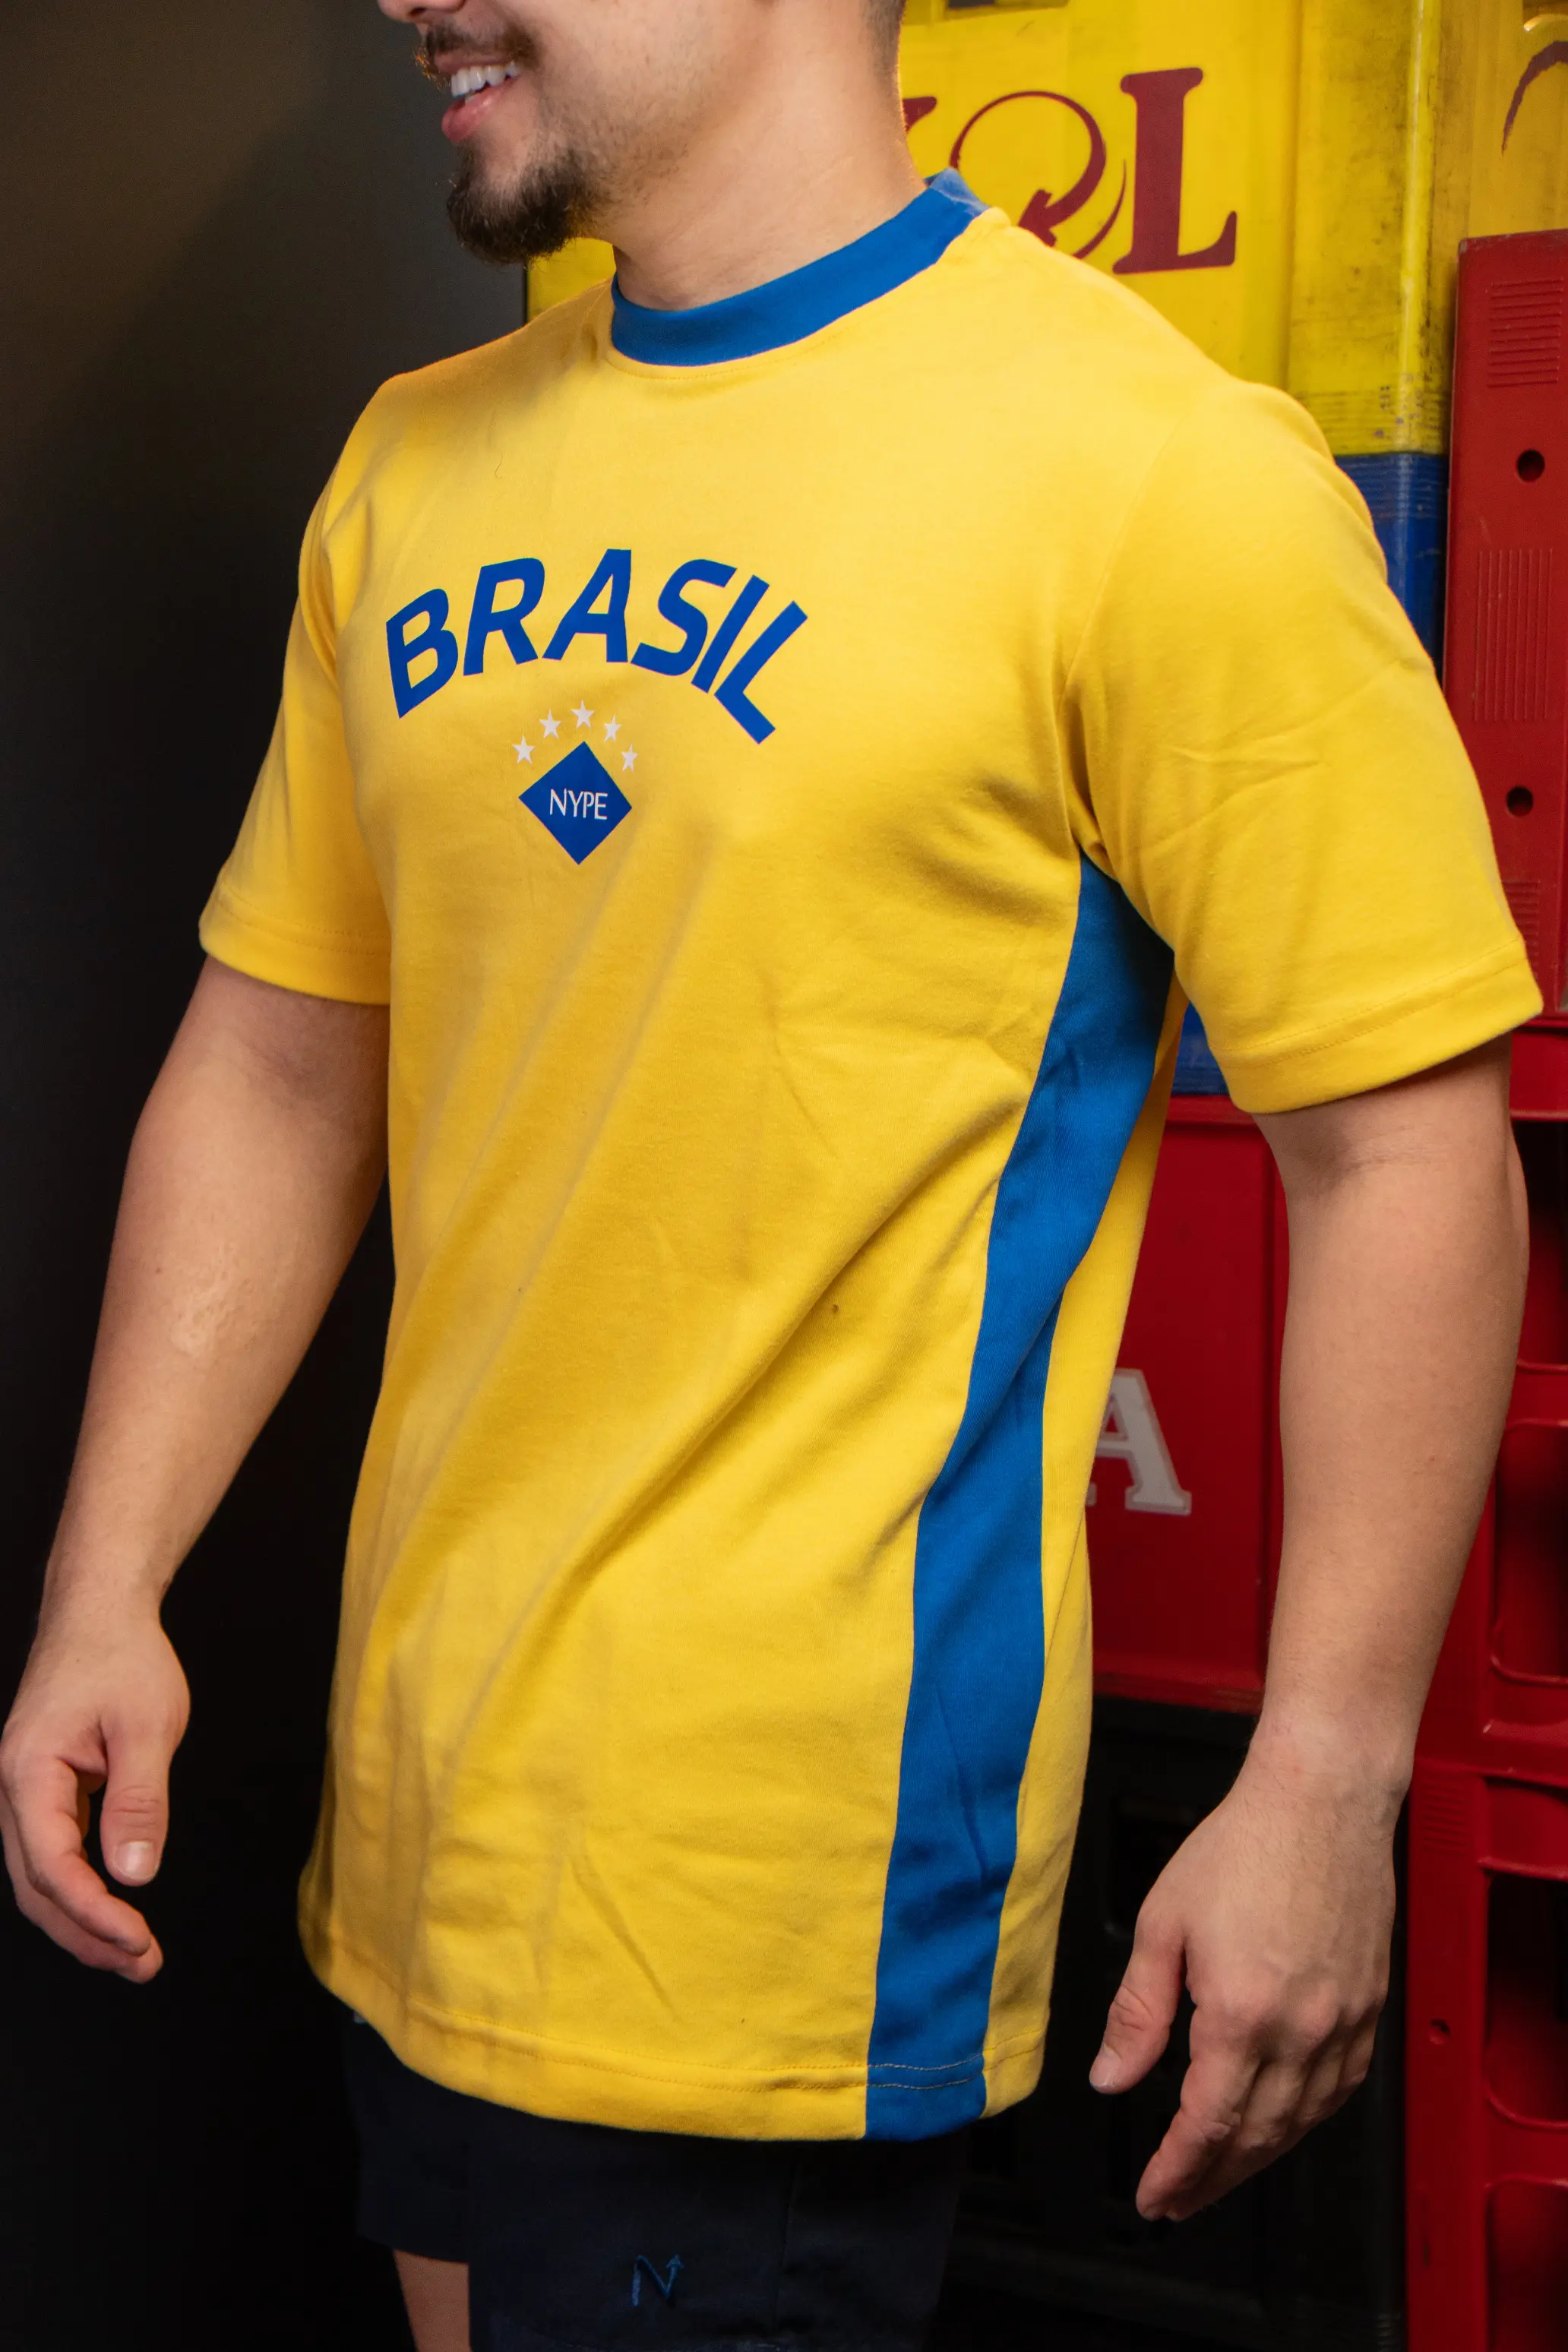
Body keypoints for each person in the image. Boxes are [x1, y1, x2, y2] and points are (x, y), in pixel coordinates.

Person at [0, 2, 1538, 2347]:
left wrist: (1328, 1779)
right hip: (416, 1832)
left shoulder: (1155, 473)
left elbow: (1402, 1144)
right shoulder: (414, 462)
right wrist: (109, 1579)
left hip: (773, 1908)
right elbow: (285, 1062)